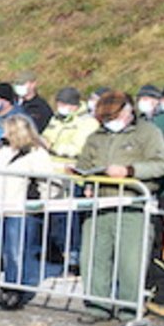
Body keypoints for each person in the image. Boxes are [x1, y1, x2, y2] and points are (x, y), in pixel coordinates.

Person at [74, 91, 164, 322]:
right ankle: (97, 306)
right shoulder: (97, 136)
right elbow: (84, 162)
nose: (107, 124)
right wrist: (82, 178)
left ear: (127, 112)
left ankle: (129, 310)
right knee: (94, 257)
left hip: (133, 206)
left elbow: (160, 165)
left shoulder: (149, 133)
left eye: (111, 118)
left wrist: (130, 171)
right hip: (99, 205)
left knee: (131, 261)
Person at [0, 116, 57, 311]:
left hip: (23, 209)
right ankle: (8, 286)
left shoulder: (36, 154)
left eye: (7, 130)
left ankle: (16, 291)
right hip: (3, 207)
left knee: (18, 252)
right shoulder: (3, 152)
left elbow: (49, 182)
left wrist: (41, 203)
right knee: (7, 251)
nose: (4, 134)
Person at [43, 87, 100, 274]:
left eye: (63, 104)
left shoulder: (87, 122)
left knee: (71, 219)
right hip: (52, 175)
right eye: (58, 103)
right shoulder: (56, 119)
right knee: (56, 218)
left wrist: (52, 147)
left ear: (74, 105)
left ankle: (74, 258)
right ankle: (59, 253)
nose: (60, 107)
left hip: (74, 176)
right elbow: (46, 136)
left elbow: (78, 147)